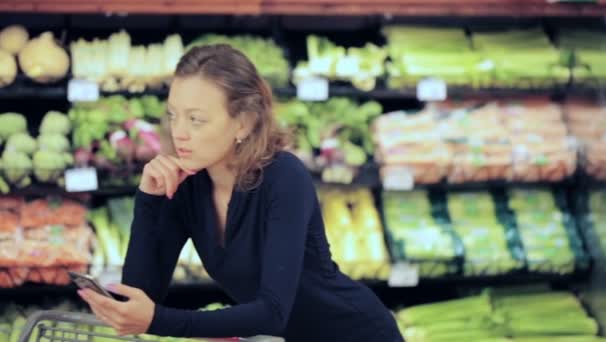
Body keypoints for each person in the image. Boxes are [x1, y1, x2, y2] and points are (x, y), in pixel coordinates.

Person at [77, 44, 403, 342]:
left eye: (196, 120)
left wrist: (159, 321)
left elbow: (272, 312)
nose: (179, 133)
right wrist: (148, 201)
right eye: (174, 115)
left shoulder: (284, 176)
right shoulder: (189, 185)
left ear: (244, 123)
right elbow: (142, 294)